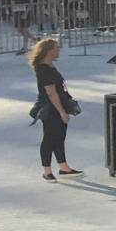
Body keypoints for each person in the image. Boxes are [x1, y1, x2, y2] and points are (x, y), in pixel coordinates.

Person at [30, 35, 77, 180]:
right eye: (56, 48)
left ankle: (63, 166)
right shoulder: (44, 69)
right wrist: (62, 112)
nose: (58, 51)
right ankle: (47, 171)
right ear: (48, 51)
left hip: (57, 105)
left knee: (59, 137)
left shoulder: (50, 66)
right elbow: (51, 93)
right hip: (50, 108)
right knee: (50, 137)